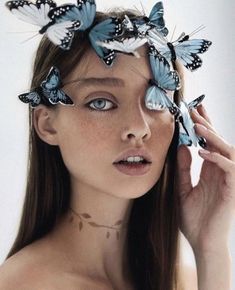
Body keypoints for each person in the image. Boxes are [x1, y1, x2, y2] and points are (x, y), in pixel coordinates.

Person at [0, 1, 234, 290]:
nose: (138, 128)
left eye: (154, 100)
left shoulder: (188, 280)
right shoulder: (23, 284)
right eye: (101, 102)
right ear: (47, 124)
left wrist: (210, 247)